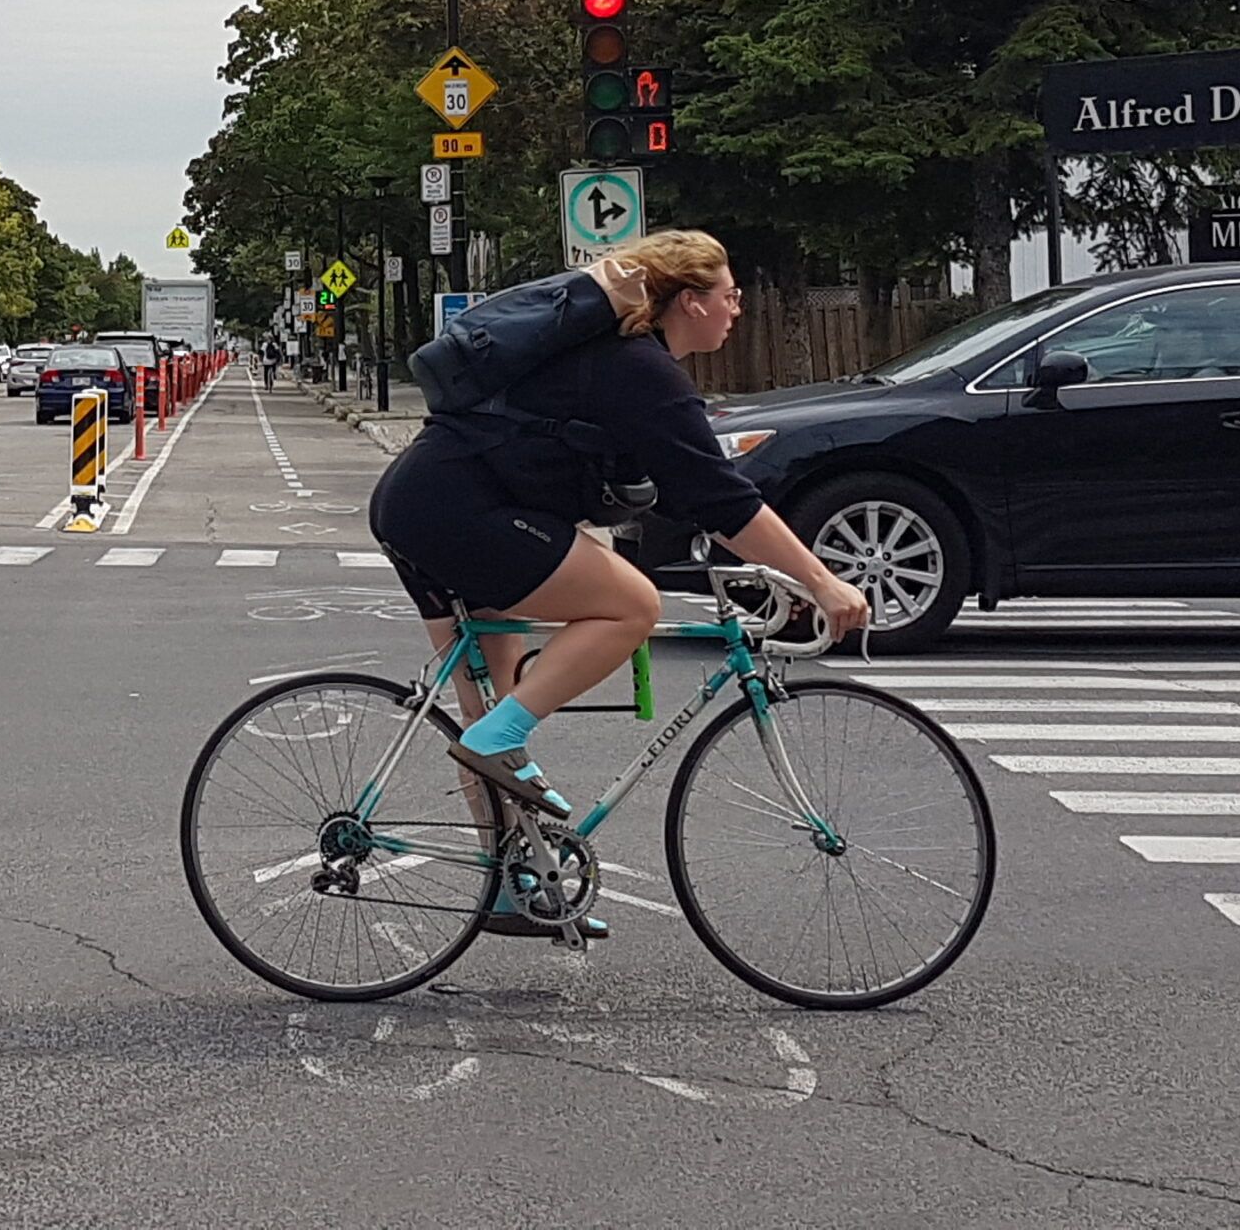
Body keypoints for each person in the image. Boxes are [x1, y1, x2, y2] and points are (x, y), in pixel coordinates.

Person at [368, 231, 870, 938]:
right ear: (689, 302)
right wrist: (821, 581)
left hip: (423, 503)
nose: (738, 310)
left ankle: (509, 888)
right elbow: (723, 501)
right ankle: (494, 751)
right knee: (631, 605)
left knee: (496, 700)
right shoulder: (642, 370)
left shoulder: (614, 362)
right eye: (729, 296)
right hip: (457, 513)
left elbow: (665, 488)